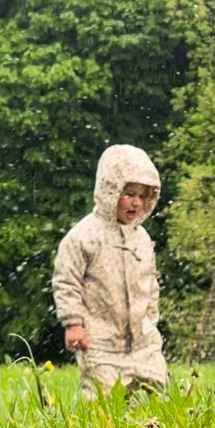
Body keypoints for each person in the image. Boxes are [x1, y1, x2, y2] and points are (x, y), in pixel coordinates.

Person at [52, 144, 168, 397]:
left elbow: (151, 283)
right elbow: (66, 282)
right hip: (100, 340)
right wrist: (74, 323)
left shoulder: (141, 238)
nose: (136, 202)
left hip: (143, 339)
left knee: (157, 390)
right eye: (129, 194)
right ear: (109, 190)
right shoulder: (84, 236)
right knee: (104, 399)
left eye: (142, 196)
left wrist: (151, 318)